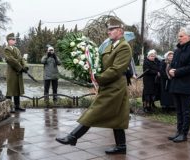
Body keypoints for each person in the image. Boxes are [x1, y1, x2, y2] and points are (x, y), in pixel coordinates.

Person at [55, 17, 132, 154]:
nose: (108, 32)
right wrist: (89, 69)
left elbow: (116, 70)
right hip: (109, 85)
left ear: (120, 31)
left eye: (111, 29)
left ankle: (73, 136)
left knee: (94, 111)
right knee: (117, 117)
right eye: (108, 29)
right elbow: (101, 64)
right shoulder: (110, 46)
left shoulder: (124, 47)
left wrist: (97, 78)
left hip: (114, 86)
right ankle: (121, 146)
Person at [167, 27, 190, 143]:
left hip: (186, 85)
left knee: (186, 111)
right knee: (179, 111)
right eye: (178, 36)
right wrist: (170, 70)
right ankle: (178, 131)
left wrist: (176, 72)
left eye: (181, 36)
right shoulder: (177, 50)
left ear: (189, 37)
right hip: (176, 84)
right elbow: (173, 64)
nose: (179, 38)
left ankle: (184, 134)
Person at [3, 33, 28, 112]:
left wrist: (25, 67)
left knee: (17, 89)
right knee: (10, 90)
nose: (14, 41)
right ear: (8, 41)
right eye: (13, 39)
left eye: (15, 39)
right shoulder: (7, 49)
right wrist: (20, 68)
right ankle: (9, 107)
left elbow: (21, 59)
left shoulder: (16, 49)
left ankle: (17, 106)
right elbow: (11, 60)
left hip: (18, 72)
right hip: (11, 72)